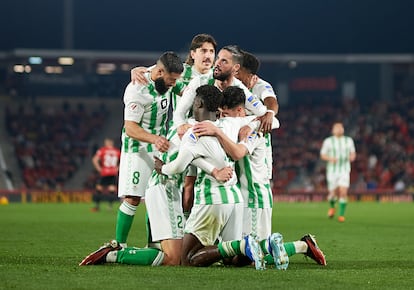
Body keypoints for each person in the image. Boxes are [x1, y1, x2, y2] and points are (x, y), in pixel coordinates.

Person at [192, 86, 326, 269]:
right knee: (240, 254)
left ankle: (299, 245)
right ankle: (303, 245)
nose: (222, 117)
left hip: (254, 196)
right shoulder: (249, 123)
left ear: (240, 110)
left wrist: (219, 132)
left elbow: (239, 152)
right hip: (245, 196)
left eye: (226, 113)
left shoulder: (255, 129)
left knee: (253, 255)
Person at [130, 33, 218, 220]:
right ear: (193, 53)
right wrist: (136, 70)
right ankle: (155, 239)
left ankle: (191, 233)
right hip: (178, 136)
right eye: (204, 50)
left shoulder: (215, 77)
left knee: (196, 187)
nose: (208, 55)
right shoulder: (180, 72)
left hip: (207, 136)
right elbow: (153, 72)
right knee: (165, 186)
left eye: (211, 51)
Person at [114, 51, 184, 248]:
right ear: (160, 72)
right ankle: (119, 245)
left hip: (159, 146)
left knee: (156, 195)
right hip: (137, 148)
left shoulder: (165, 78)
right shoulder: (137, 90)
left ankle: (153, 245)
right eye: (171, 80)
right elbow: (130, 128)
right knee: (133, 197)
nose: (173, 84)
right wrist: (155, 139)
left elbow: (183, 90)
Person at [320, 122, 356, 222]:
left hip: (344, 170)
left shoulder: (348, 140)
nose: (339, 129)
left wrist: (352, 157)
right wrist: (330, 158)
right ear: (333, 130)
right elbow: (323, 155)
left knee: (343, 192)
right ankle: (332, 207)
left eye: (341, 127)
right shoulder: (328, 141)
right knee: (332, 194)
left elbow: (353, 153)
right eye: (337, 128)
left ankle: (341, 215)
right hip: (332, 171)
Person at [90, 138, 121, 212]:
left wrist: (99, 168)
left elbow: (94, 159)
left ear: (107, 143)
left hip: (105, 172)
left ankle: (97, 206)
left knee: (99, 188)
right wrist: (118, 168)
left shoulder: (102, 150)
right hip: (113, 172)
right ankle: (110, 207)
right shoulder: (117, 151)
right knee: (112, 189)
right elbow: (123, 161)